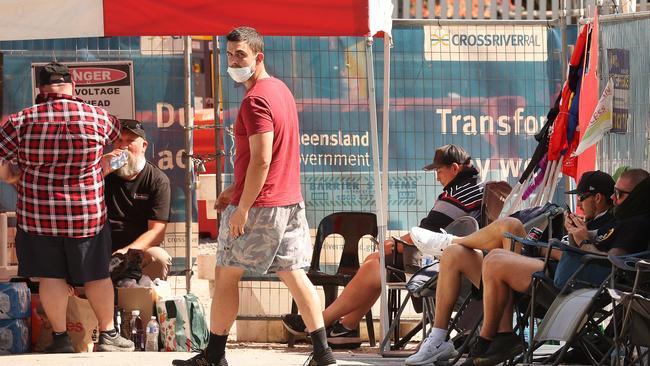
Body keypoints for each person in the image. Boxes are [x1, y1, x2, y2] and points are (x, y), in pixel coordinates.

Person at [173, 27, 336, 366]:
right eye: (230, 55)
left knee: (227, 272)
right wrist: (234, 189)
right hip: (289, 201)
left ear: (258, 57)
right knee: (293, 274)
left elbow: (263, 158)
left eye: (240, 55)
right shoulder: (280, 90)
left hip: (262, 204)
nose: (233, 61)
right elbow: (270, 156)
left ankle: (214, 356)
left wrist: (242, 206)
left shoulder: (255, 99)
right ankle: (323, 352)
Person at [412, 169, 650, 366]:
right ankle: (438, 337)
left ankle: (490, 338)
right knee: (457, 254)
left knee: (507, 233)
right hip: (560, 269)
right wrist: (575, 237)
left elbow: (612, 262)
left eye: (619, 194)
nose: (614, 198)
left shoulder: (631, 223)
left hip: (568, 277)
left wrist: (577, 240)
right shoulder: (620, 223)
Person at [283, 144, 484, 348]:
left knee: (375, 265)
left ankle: (319, 322)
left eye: (439, 171)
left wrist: (392, 246)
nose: (437, 177)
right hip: (449, 257)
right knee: (375, 262)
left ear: (455, 168)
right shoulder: (472, 187)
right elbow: (431, 232)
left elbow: (425, 235)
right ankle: (347, 327)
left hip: (445, 264)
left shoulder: (459, 193)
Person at [0, 62, 133, 352]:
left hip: (38, 215)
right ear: (72, 87)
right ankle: (108, 336)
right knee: (97, 275)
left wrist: (11, 175)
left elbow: (2, 157)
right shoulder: (99, 117)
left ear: (41, 89)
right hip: (87, 215)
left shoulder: (21, 121)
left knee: (51, 276)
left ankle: (60, 338)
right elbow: (115, 138)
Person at [102, 119, 172, 280]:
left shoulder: (157, 179)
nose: (123, 145)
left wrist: (124, 253)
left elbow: (156, 232)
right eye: (119, 140)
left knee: (159, 257)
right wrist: (101, 171)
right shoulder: (102, 174)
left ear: (144, 146)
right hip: (101, 246)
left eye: (130, 141)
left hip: (137, 250)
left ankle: (146, 301)